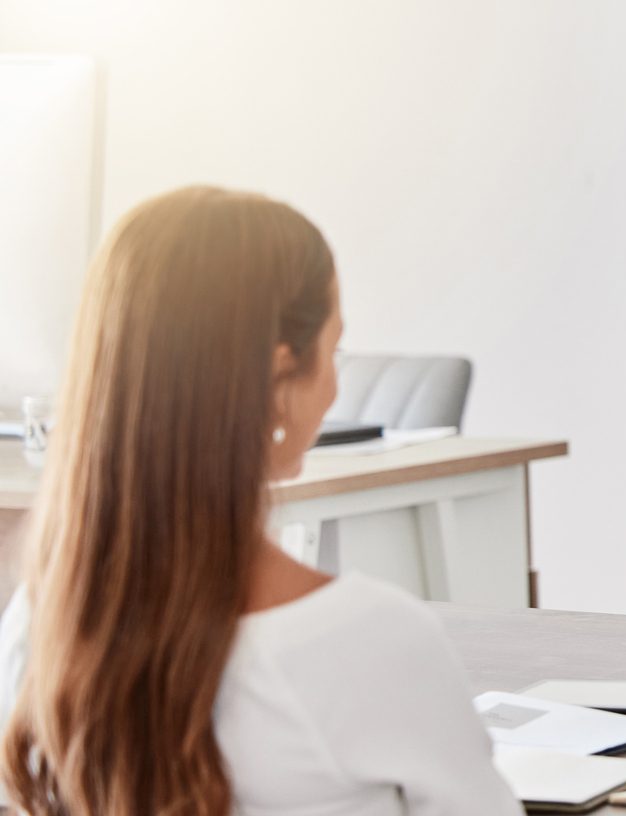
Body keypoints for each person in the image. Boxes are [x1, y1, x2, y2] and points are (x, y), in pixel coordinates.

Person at [0, 186, 516, 815]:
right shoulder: (370, 643)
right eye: (333, 351)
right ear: (278, 379)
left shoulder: (38, 627)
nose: (335, 386)